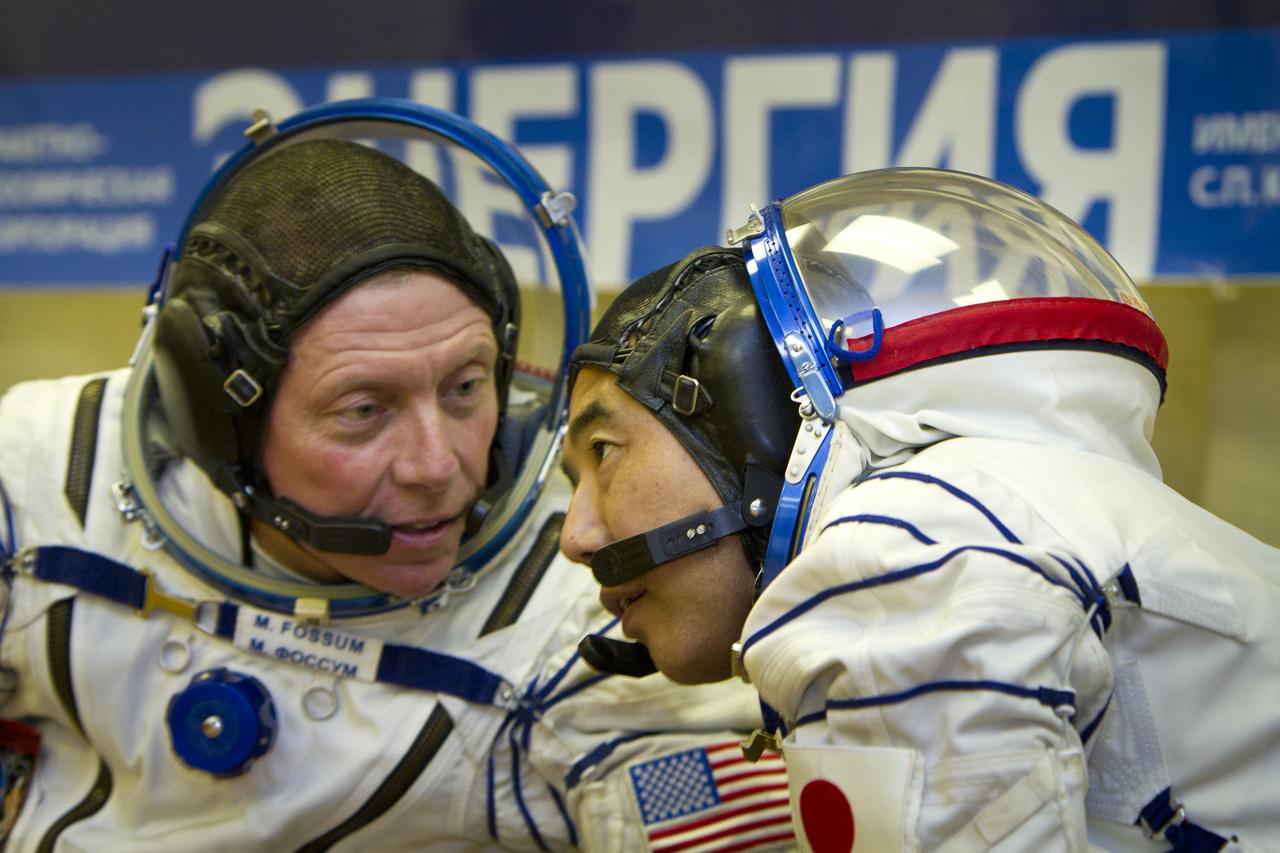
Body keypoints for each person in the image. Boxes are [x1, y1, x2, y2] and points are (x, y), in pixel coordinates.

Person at [0, 100, 796, 851]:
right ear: (213, 415)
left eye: (465, 386)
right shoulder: (43, 482)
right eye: (363, 409)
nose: (438, 465)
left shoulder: (580, 623)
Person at [560, 168, 1280, 851]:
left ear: (745, 420)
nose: (576, 535)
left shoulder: (899, 555)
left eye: (604, 451)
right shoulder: (1003, 506)